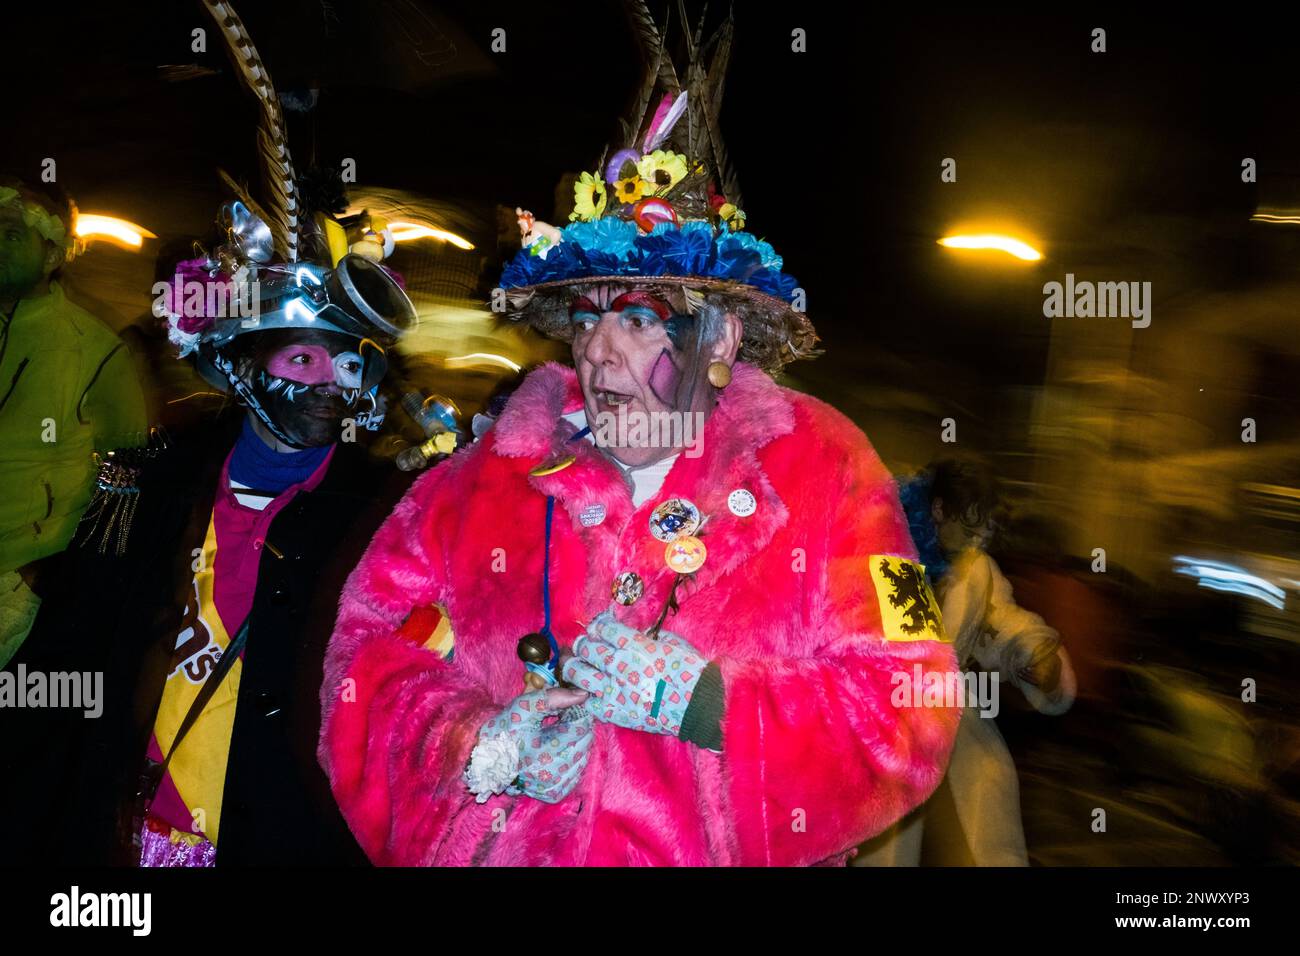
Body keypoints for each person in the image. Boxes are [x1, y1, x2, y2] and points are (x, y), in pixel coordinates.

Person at [318, 10, 959, 866]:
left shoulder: (824, 469)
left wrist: (707, 704)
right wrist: (477, 745)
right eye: (585, 318)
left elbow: (911, 707)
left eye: (638, 320)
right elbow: (361, 660)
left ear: (721, 341)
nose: (596, 349)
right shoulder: (482, 480)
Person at [0, 204, 420, 865]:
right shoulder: (150, 487)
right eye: (301, 356)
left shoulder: (382, 519)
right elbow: (69, 658)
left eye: (343, 364)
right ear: (242, 368)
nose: (323, 384)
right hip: (122, 838)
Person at [856, 458, 1077, 866]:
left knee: (973, 837)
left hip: (951, 737)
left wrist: (1036, 657)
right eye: (970, 528)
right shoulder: (879, 547)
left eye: (984, 532)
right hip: (873, 733)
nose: (977, 541)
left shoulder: (976, 570)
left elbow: (1004, 623)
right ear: (939, 511)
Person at [0, 176, 146, 667]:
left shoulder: (97, 350)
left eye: (12, 235)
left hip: (18, 592)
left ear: (52, 255)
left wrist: (52, 575)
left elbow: (127, 477)